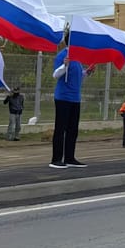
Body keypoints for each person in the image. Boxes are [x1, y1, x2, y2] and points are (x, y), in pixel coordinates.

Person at [50, 38, 96, 168]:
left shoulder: (78, 57)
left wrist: (86, 72)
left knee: (73, 130)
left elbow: (77, 76)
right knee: (60, 129)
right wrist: (64, 65)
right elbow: (55, 75)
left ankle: (69, 157)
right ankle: (56, 159)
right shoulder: (62, 55)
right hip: (63, 97)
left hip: (75, 98)